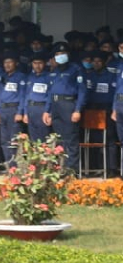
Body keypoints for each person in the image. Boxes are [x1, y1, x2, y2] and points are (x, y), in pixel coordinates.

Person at [45, 41, 86, 173]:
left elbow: (82, 91)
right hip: (55, 105)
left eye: (63, 53)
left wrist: (78, 110)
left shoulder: (76, 69)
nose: (60, 56)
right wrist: (47, 111)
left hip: (69, 105)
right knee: (58, 139)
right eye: (57, 54)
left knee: (70, 139)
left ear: (68, 54)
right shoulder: (54, 70)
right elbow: (50, 92)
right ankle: (60, 169)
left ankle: (71, 171)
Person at [0, 51, 26, 167]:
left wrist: (20, 112)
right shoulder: (3, 77)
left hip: (14, 109)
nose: (7, 65)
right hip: (3, 110)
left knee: (14, 140)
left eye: (10, 62)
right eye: (5, 62)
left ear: (15, 63)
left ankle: (16, 167)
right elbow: (0, 95)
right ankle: (8, 166)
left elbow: (23, 96)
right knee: (4, 140)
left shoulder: (21, 77)